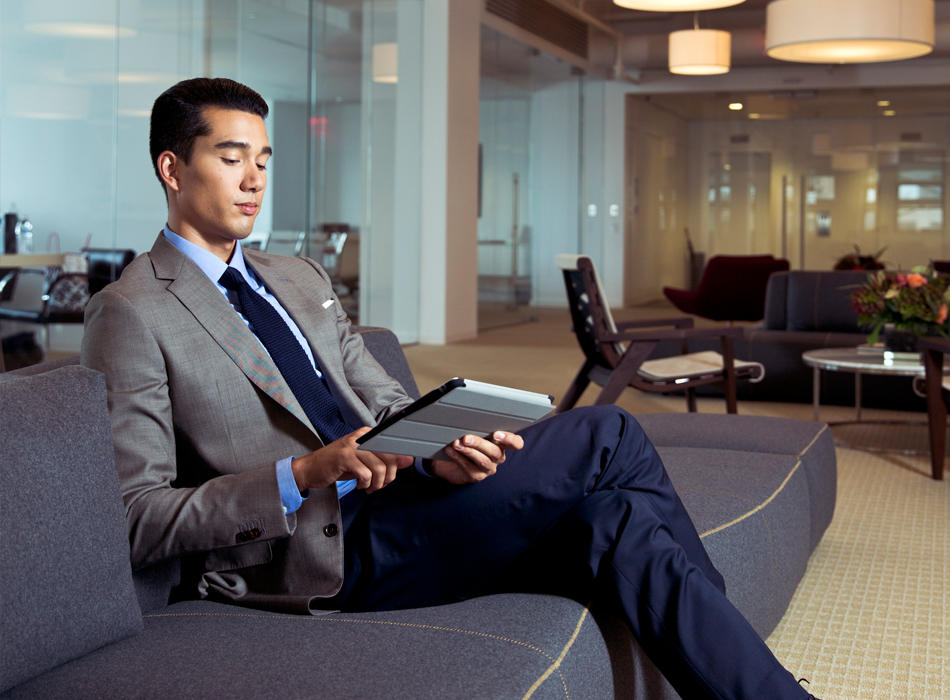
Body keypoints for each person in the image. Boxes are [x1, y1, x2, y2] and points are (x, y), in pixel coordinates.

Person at [81, 78, 818, 700]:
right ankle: (734, 626)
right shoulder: (131, 311)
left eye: (264, 160)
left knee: (615, 517)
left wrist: (439, 447)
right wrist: (304, 472)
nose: (254, 180)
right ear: (173, 170)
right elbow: (137, 520)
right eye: (231, 157)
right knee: (607, 432)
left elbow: (380, 394)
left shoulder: (296, 278)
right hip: (323, 548)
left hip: (405, 495)